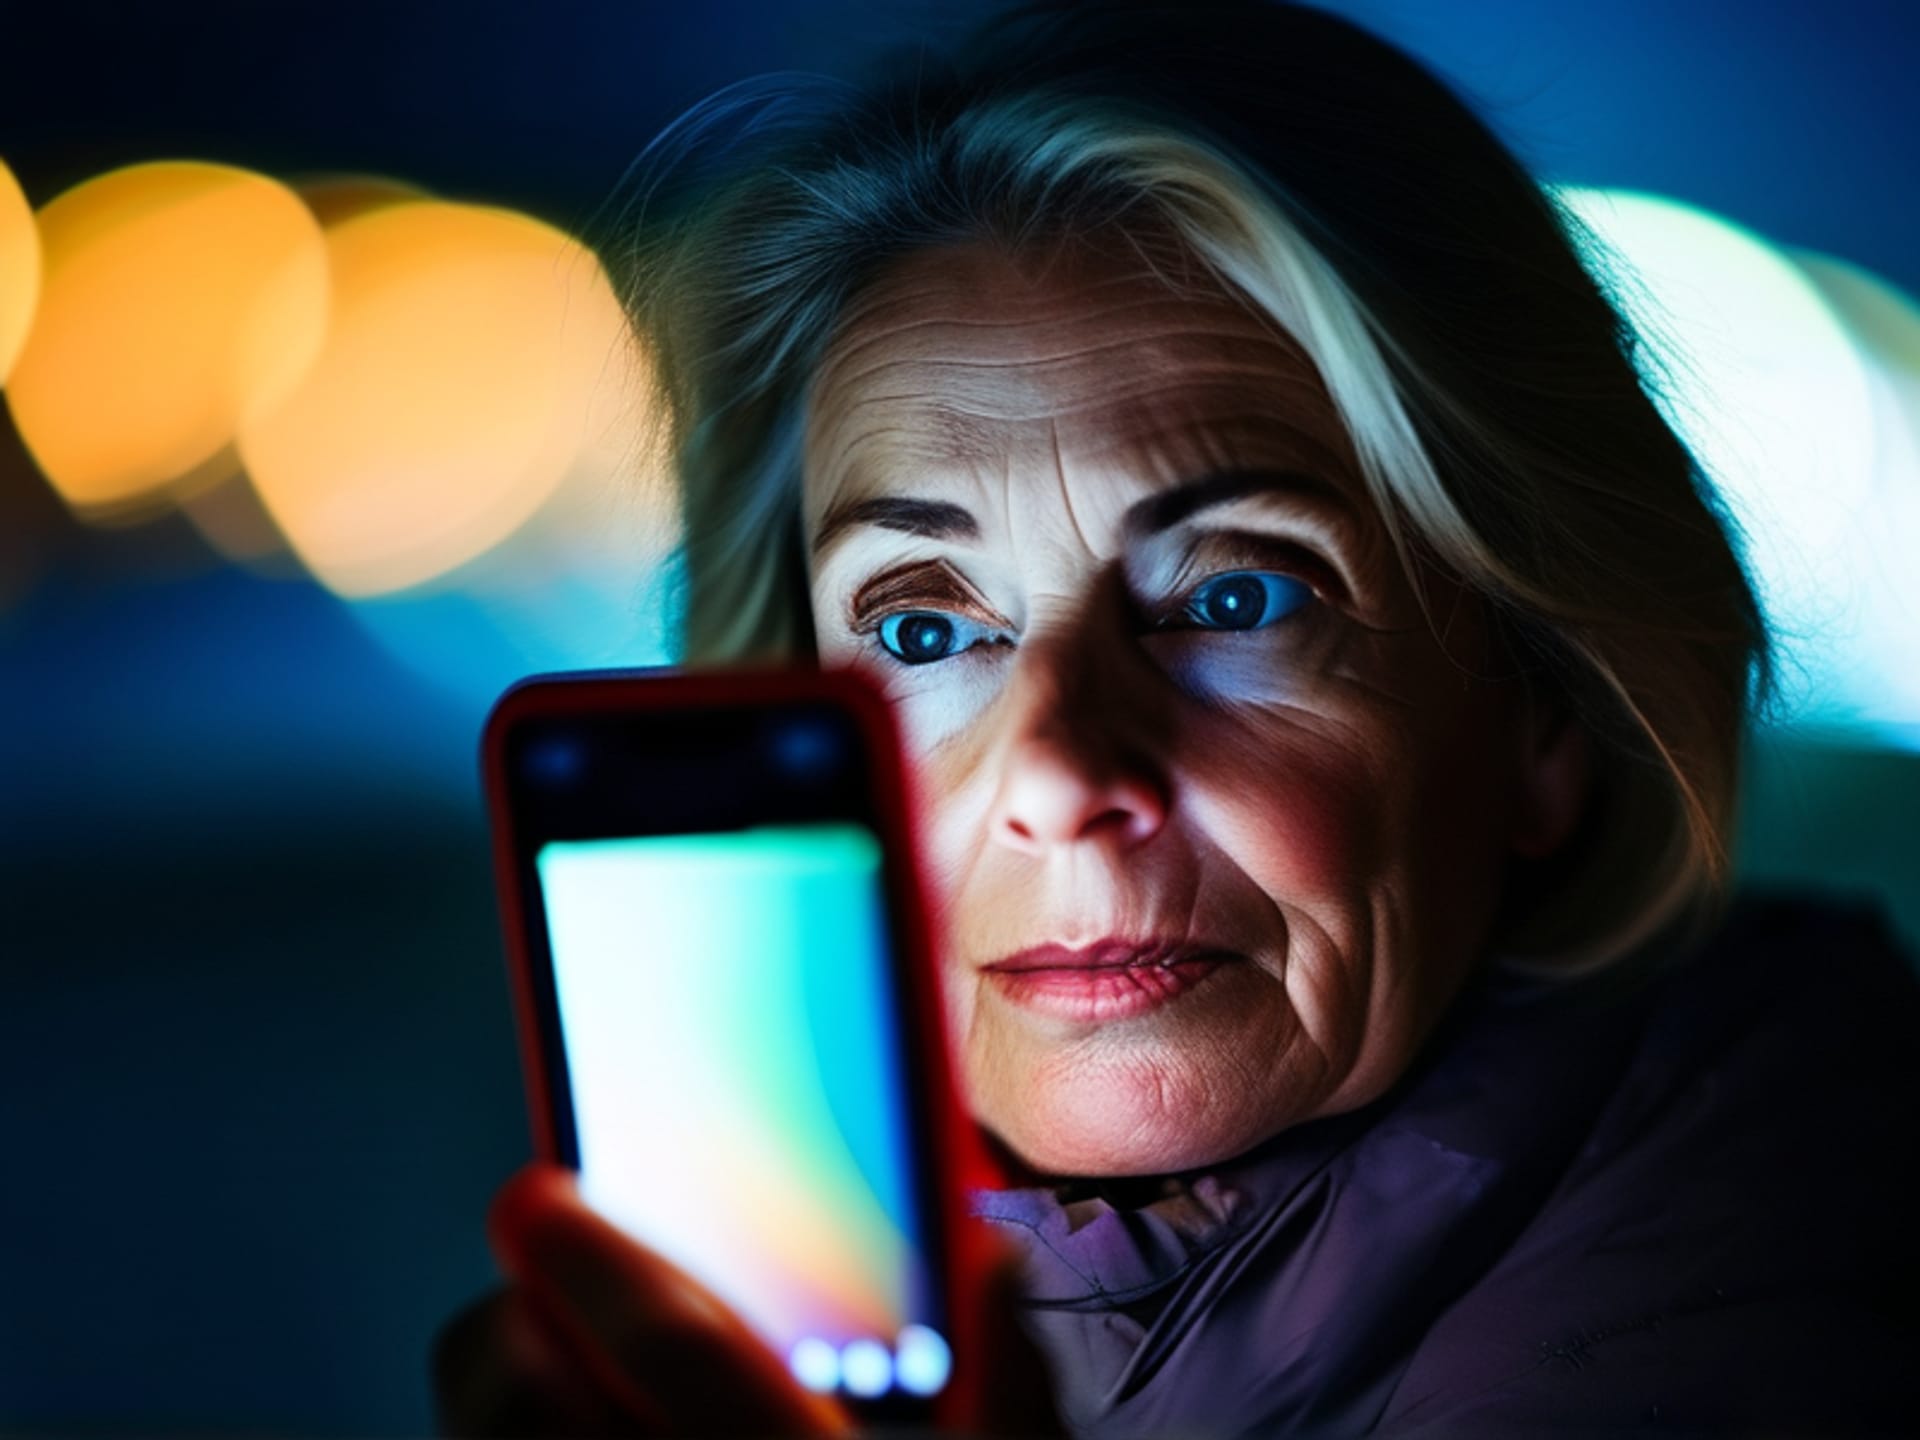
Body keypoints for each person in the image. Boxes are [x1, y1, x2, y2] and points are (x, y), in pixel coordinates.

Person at [437, 1, 1920, 1433]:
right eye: (923, 629)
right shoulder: (810, 1314)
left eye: (1232, 599)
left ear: (1543, 704)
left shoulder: (1789, 1265)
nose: (1062, 771)